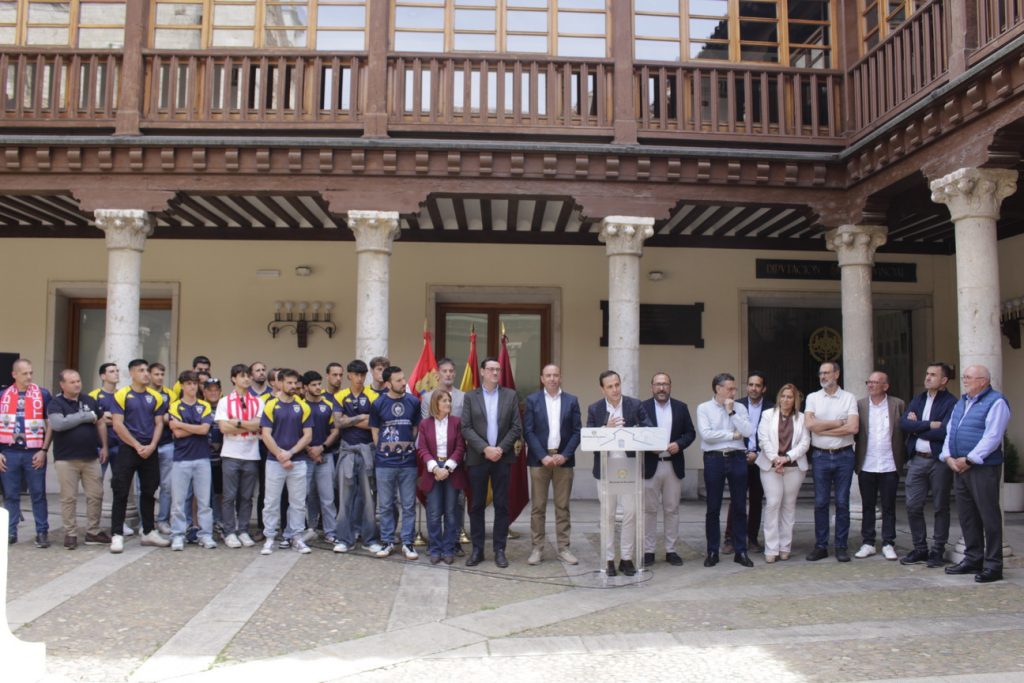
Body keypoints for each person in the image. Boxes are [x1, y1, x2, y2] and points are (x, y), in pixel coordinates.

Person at [941, 365, 1010, 583]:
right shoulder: (961, 403)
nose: (965, 380)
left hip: (982, 467)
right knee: (967, 515)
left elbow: (993, 436)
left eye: (969, 377)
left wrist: (970, 459)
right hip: (959, 466)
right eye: (964, 377)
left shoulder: (996, 402)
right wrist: (947, 456)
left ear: (983, 381)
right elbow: (950, 431)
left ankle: (994, 565)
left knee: (989, 516)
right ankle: (973, 558)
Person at [586, 370, 651, 577]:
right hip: (606, 469)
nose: (615, 390)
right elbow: (589, 438)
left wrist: (631, 430)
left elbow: (648, 428)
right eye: (610, 386)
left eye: (617, 385)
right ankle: (608, 559)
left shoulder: (634, 405)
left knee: (631, 513)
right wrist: (606, 428)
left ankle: (626, 558)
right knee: (608, 515)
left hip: (629, 466)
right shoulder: (595, 409)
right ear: (602, 389)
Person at [462, 357, 523, 569]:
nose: (495, 373)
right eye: (491, 369)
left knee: (502, 505)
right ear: (482, 372)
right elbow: (466, 427)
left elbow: (516, 427)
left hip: (502, 457)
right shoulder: (471, 397)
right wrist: (485, 448)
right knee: (476, 505)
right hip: (478, 458)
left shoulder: (510, 395)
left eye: (498, 369)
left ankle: (499, 550)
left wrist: (500, 449)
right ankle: (477, 550)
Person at [899, 362, 958, 567]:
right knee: (913, 505)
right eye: (927, 373)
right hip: (917, 460)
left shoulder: (951, 402)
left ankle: (937, 551)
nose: (927, 377)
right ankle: (920, 548)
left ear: (944, 380)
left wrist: (917, 428)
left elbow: (944, 431)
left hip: (939, 461)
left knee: (941, 506)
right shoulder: (919, 399)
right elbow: (904, 424)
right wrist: (928, 425)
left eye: (933, 375)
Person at [523, 364, 582, 566]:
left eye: (555, 375)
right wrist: (542, 456)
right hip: (540, 461)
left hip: (563, 461)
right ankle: (537, 548)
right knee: (538, 507)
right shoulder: (532, 400)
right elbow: (528, 431)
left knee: (562, 506)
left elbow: (577, 431)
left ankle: (564, 548)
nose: (552, 379)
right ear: (542, 378)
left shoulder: (571, 400)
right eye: (548, 375)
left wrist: (565, 455)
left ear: (560, 377)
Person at [110, 358, 170, 552]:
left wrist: (152, 445)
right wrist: (136, 445)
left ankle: (148, 531)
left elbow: (159, 423)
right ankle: (117, 534)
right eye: (141, 370)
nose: (145, 374)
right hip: (128, 449)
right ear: (132, 373)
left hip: (149, 450)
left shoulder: (155, 397)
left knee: (149, 491)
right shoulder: (122, 395)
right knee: (121, 491)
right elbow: (117, 424)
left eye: (146, 370)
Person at [697, 372, 754, 568]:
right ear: (718, 389)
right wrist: (732, 435)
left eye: (734, 388)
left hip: (737, 458)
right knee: (713, 506)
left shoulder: (740, 408)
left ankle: (741, 551)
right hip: (714, 459)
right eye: (730, 389)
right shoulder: (704, 408)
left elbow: (747, 432)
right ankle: (712, 551)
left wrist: (732, 413)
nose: (733, 392)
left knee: (739, 506)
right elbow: (707, 435)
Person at [48, 369, 109, 550]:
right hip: (66, 459)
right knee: (69, 498)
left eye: (78, 381)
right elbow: (58, 424)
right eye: (72, 382)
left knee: (96, 495)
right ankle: (71, 533)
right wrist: (85, 417)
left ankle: (93, 531)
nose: (77, 384)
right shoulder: (56, 403)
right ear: (62, 384)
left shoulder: (89, 400)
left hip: (91, 457)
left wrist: (104, 446)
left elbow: (100, 422)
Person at [804, 361, 859, 563]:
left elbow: (852, 428)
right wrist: (837, 423)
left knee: (843, 502)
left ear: (837, 374)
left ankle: (841, 547)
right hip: (820, 456)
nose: (823, 376)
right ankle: (821, 546)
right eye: (821, 373)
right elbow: (809, 425)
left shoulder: (849, 398)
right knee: (821, 502)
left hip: (844, 456)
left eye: (827, 373)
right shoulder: (813, 398)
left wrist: (822, 429)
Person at [640, 372, 695, 568]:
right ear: (652, 387)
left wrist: (679, 444)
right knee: (649, 510)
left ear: (670, 386)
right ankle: (648, 551)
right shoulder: (642, 408)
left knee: (672, 509)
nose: (661, 388)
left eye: (665, 384)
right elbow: (636, 433)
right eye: (658, 384)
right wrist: (649, 447)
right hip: (650, 465)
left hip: (673, 464)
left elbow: (690, 433)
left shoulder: (681, 407)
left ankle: (671, 550)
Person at [370, 366, 422, 560]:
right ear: (387, 384)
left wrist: (405, 446)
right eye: (398, 380)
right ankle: (387, 541)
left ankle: (408, 543)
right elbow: (375, 431)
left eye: (403, 379)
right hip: (385, 463)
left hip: (408, 462)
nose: (403, 383)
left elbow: (415, 428)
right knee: (385, 505)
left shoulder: (413, 402)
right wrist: (384, 450)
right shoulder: (378, 404)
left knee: (408, 504)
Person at [332, 359, 384, 554]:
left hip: (367, 450)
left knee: (369, 498)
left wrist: (350, 419)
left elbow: (375, 423)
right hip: (347, 451)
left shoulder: (372, 395)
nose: (359, 378)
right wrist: (361, 417)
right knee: (344, 498)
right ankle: (344, 539)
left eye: (362, 375)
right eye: (356, 375)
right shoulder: (340, 395)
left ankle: (369, 539)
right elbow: (338, 423)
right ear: (349, 376)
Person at [259, 369, 313, 555]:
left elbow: (307, 435)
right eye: (289, 383)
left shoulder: (303, 406)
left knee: (298, 502)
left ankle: (296, 537)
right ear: (280, 383)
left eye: (295, 383)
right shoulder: (271, 405)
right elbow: (265, 434)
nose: (293, 386)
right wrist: (280, 455)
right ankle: (269, 538)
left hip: (298, 462)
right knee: (271, 502)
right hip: (274, 462)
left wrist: (290, 453)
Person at [0, 358, 52, 547]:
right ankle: (10, 532)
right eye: (25, 373)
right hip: (8, 452)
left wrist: (44, 450)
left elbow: (50, 424)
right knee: (11, 495)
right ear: (14, 374)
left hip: (34, 452)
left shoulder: (43, 394)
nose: (29, 376)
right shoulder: (3, 395)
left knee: (38, 494)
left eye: (31, 372)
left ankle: (42, 532)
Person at [854, 371, 905, 561]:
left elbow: (904, 431)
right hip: (867, 464)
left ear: (886, 386)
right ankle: (868, 542)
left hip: (889, 464)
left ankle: (888, 543)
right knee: (867, 505)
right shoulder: (859, 405)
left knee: (888, 506)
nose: (871, 385)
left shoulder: (897, 404)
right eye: (869, 382)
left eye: (876, 382)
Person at [756, 384, 810, 563]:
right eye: (783, 396)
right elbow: (763, 439)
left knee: (788, 505)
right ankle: (771, 548)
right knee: (773, 504)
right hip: (770, 467)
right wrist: (775, 459)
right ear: (779, 397)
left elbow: (805, 443)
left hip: (794, 467)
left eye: (790, 397)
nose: (786, 400)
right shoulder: (767, 415)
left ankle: (785, 546)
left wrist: (786, 458)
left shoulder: (802, 418)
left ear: (795, 400)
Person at [420, 357, 467, 555]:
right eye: (444, 371)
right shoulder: (426, 403)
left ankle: (452, 545)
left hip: (454, 465)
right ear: (438, 374)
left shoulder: (463, 399)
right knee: (433, 511)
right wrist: (435, 467)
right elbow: (423, 442)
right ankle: (435, 547)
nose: (448, 374)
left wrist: (448, 466)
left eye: (451, 371)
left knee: (453, 509)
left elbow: (462, 441)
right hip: (433, 467)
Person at [167, 371, 216, 551]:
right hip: (181, 459)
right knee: (178, 502)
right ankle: (177, 535)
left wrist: (182, 425)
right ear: (181, 386)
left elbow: (204, 430)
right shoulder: (174, 406)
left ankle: (205, 534)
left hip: (202, 458)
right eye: (188, 383)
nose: (192, 387)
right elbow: (177, 434)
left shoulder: (204, 405)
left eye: (195, 383)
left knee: (204, 502)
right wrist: (194, 428)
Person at [216, 364, 263, 548]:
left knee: (246, 496)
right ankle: (229, 532)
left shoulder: (258, 401)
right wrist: (247, 424)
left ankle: (243, 530)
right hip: (230, 454)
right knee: (229, 496)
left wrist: (236, 422)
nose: (246, 379)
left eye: (248, 376)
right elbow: (223, 428)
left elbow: (258, 425)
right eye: (242, 376)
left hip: (251, 454)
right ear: (233, 379)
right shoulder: (224, 401)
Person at [725, 372, 772, 554]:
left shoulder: (771, 408)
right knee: (736, 500)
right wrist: (743, 452)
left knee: (756, 500)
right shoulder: (736, 405)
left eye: (758, 385)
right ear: (746, 387)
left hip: (760, 459)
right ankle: (730, 538)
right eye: (751, 385)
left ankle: (752, 538)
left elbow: (771, 436)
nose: (753, 388)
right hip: (739, 457)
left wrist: (757, 454)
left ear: (763, 388)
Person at [90, 362, 136, 537]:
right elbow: (95, 419)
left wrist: (108, 417)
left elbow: (123, 420)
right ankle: (93, 524)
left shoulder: (122, 395)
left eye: (117, 371)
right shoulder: (94, 395)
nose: (116, 373)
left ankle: (119, 522)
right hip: (99, 447)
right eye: (111, 371)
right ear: (103, 376)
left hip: (120, 446)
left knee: (121, 486)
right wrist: (109, 418)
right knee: (95, 487)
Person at [301, 371, 340, 544]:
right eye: (314, 385)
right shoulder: (300, 406)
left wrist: (321, 448)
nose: (318, 387)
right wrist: (310, 450)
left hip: (325, 456)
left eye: (319, 384)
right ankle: (309, 529)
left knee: (328, 497)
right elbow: (296, 432)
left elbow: (335, 431)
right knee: (305, 496)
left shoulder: (328, 405)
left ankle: (331, 532)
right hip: (304, 458)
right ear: (305, 387)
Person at [149, 362, 176, 536]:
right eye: (156, 374)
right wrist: (161, 417)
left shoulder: (170, 394)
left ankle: (163, 520)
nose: (159, 377)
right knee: (145, 487)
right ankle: (146, 522)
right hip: (146, 445)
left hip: (167, 444)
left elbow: (173, 416)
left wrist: (157, 417)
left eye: (162, 374)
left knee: (167, 486)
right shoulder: (144, 393)